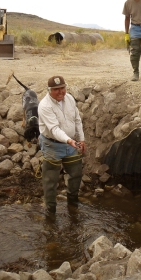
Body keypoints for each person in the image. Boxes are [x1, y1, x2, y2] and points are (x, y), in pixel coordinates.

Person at [38, 75, 86, 214]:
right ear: (49, 90)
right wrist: (70, 141)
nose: (60, 92)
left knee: (76, 174)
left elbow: (77, 119)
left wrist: (81, 139)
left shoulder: (70, 98)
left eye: (62, 88)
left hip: (71, 143)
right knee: (51, 180)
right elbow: (54, 129)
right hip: (52, 145)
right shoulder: (44, 106)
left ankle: (72, 205)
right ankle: (50, 211)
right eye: (56, 90)